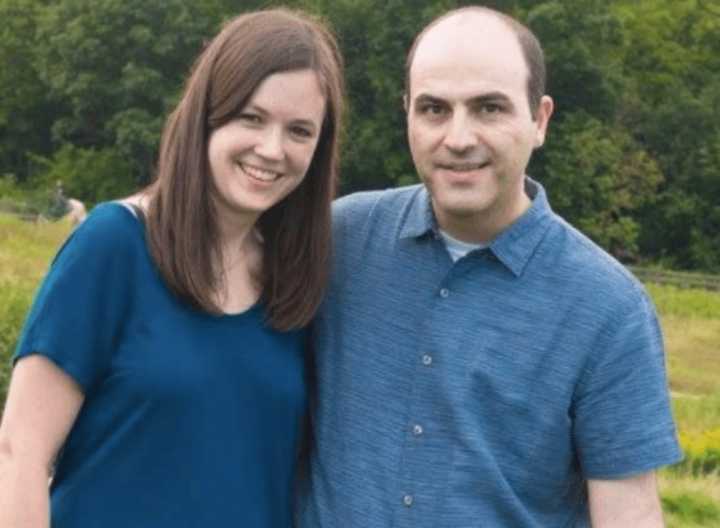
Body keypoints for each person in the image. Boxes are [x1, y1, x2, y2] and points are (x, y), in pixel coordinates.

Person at [298, 6, 680, 527]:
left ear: (539, 120)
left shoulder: (610, 310)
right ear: (406, 112)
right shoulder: (337, 241)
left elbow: (628, 512)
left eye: (489, 108)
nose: (458, 138)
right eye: (434, 108)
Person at [0, 8, 344, 527]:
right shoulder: (115, 243)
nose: (272, 150)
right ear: (207, 112)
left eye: (299, 131)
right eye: (251, 118)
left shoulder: (295, 278)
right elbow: (19, 452)